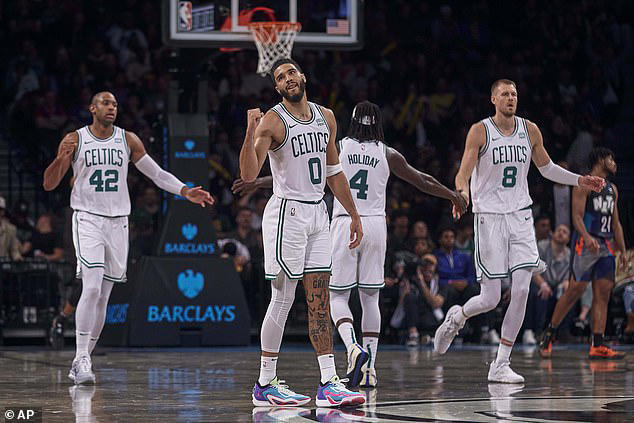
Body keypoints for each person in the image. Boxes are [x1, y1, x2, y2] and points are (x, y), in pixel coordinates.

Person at [235, 100, 467, 389]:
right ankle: (369, 368)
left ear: (353, 122)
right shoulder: (387, 153)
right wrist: (452, 196)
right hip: (375, 225)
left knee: (336, 297)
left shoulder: (339, 145)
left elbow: (304, 174)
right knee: (371, 299)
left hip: (345, 221)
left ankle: (350, 345)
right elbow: (421, 179)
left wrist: (256, 183)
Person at [433, 79, 605, 383]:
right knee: (490, 298)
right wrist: (462, 194)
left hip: (520, 215)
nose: (511, 98)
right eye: (505, 94)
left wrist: (580, 179)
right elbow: (464, 171)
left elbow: (547, 168)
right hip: (489, 217)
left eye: (514, 94)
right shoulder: (480, 130)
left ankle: (501, 363)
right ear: (493, 99)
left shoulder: (530, 130)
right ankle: (456, 318)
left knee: (523, 289)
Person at [43, 91, 213, 385]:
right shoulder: (76, 138)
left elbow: (157, 175)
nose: (112, 108)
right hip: (87, 218)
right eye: (106, 103)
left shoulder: (128, 139)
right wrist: (62, 158)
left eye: (115, 104)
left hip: (119, 222)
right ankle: (81, 357)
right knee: (92, 286)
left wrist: (185, 191)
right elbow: (49, 183)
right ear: (92, 108)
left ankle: (81, 360)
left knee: (104, 297)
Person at [238, 58, 365, 407]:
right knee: (283, 298)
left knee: (320, 300)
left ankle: (328, 383)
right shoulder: (273, 120)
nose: (287, 79)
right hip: (286, 215)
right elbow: (249, 175)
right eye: (280, 77)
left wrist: (353, 215)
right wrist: (250, 131)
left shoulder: (326, 117)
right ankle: (265, 384)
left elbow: (334, 172)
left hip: (319, 213)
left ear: (303, 76)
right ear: (277, 88)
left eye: (291, 72)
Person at [539, 148, 626, 359]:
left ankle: (598, 343)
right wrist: (587, 237)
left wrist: (622, 250)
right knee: (575, 291)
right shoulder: (584, 183)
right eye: (610, 158)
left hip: (605, 245)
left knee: (603, 293)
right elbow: (576, 217)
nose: (614, 162)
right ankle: (549, 333)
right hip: (586, 244)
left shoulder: (612, 189)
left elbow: (616, 223)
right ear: (599, 159)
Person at [523, 223, 571, 344]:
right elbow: (533, 270)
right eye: (559, 230)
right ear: (553, 234)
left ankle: (563, 332)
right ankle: (537, 332)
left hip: (556, 285)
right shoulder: (542, 246)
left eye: (564, 232)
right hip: (539, 281)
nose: (561, 233)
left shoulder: (569, 253)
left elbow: (569, 275)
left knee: (568, 294)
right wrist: (543, 284)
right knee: (539, 292)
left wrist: (566, 282)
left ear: (568, 239)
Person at [0, 196, 23, 261]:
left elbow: (14, 250)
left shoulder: (11, 229)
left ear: (2, 212)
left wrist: (18, 258)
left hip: (3, 265)